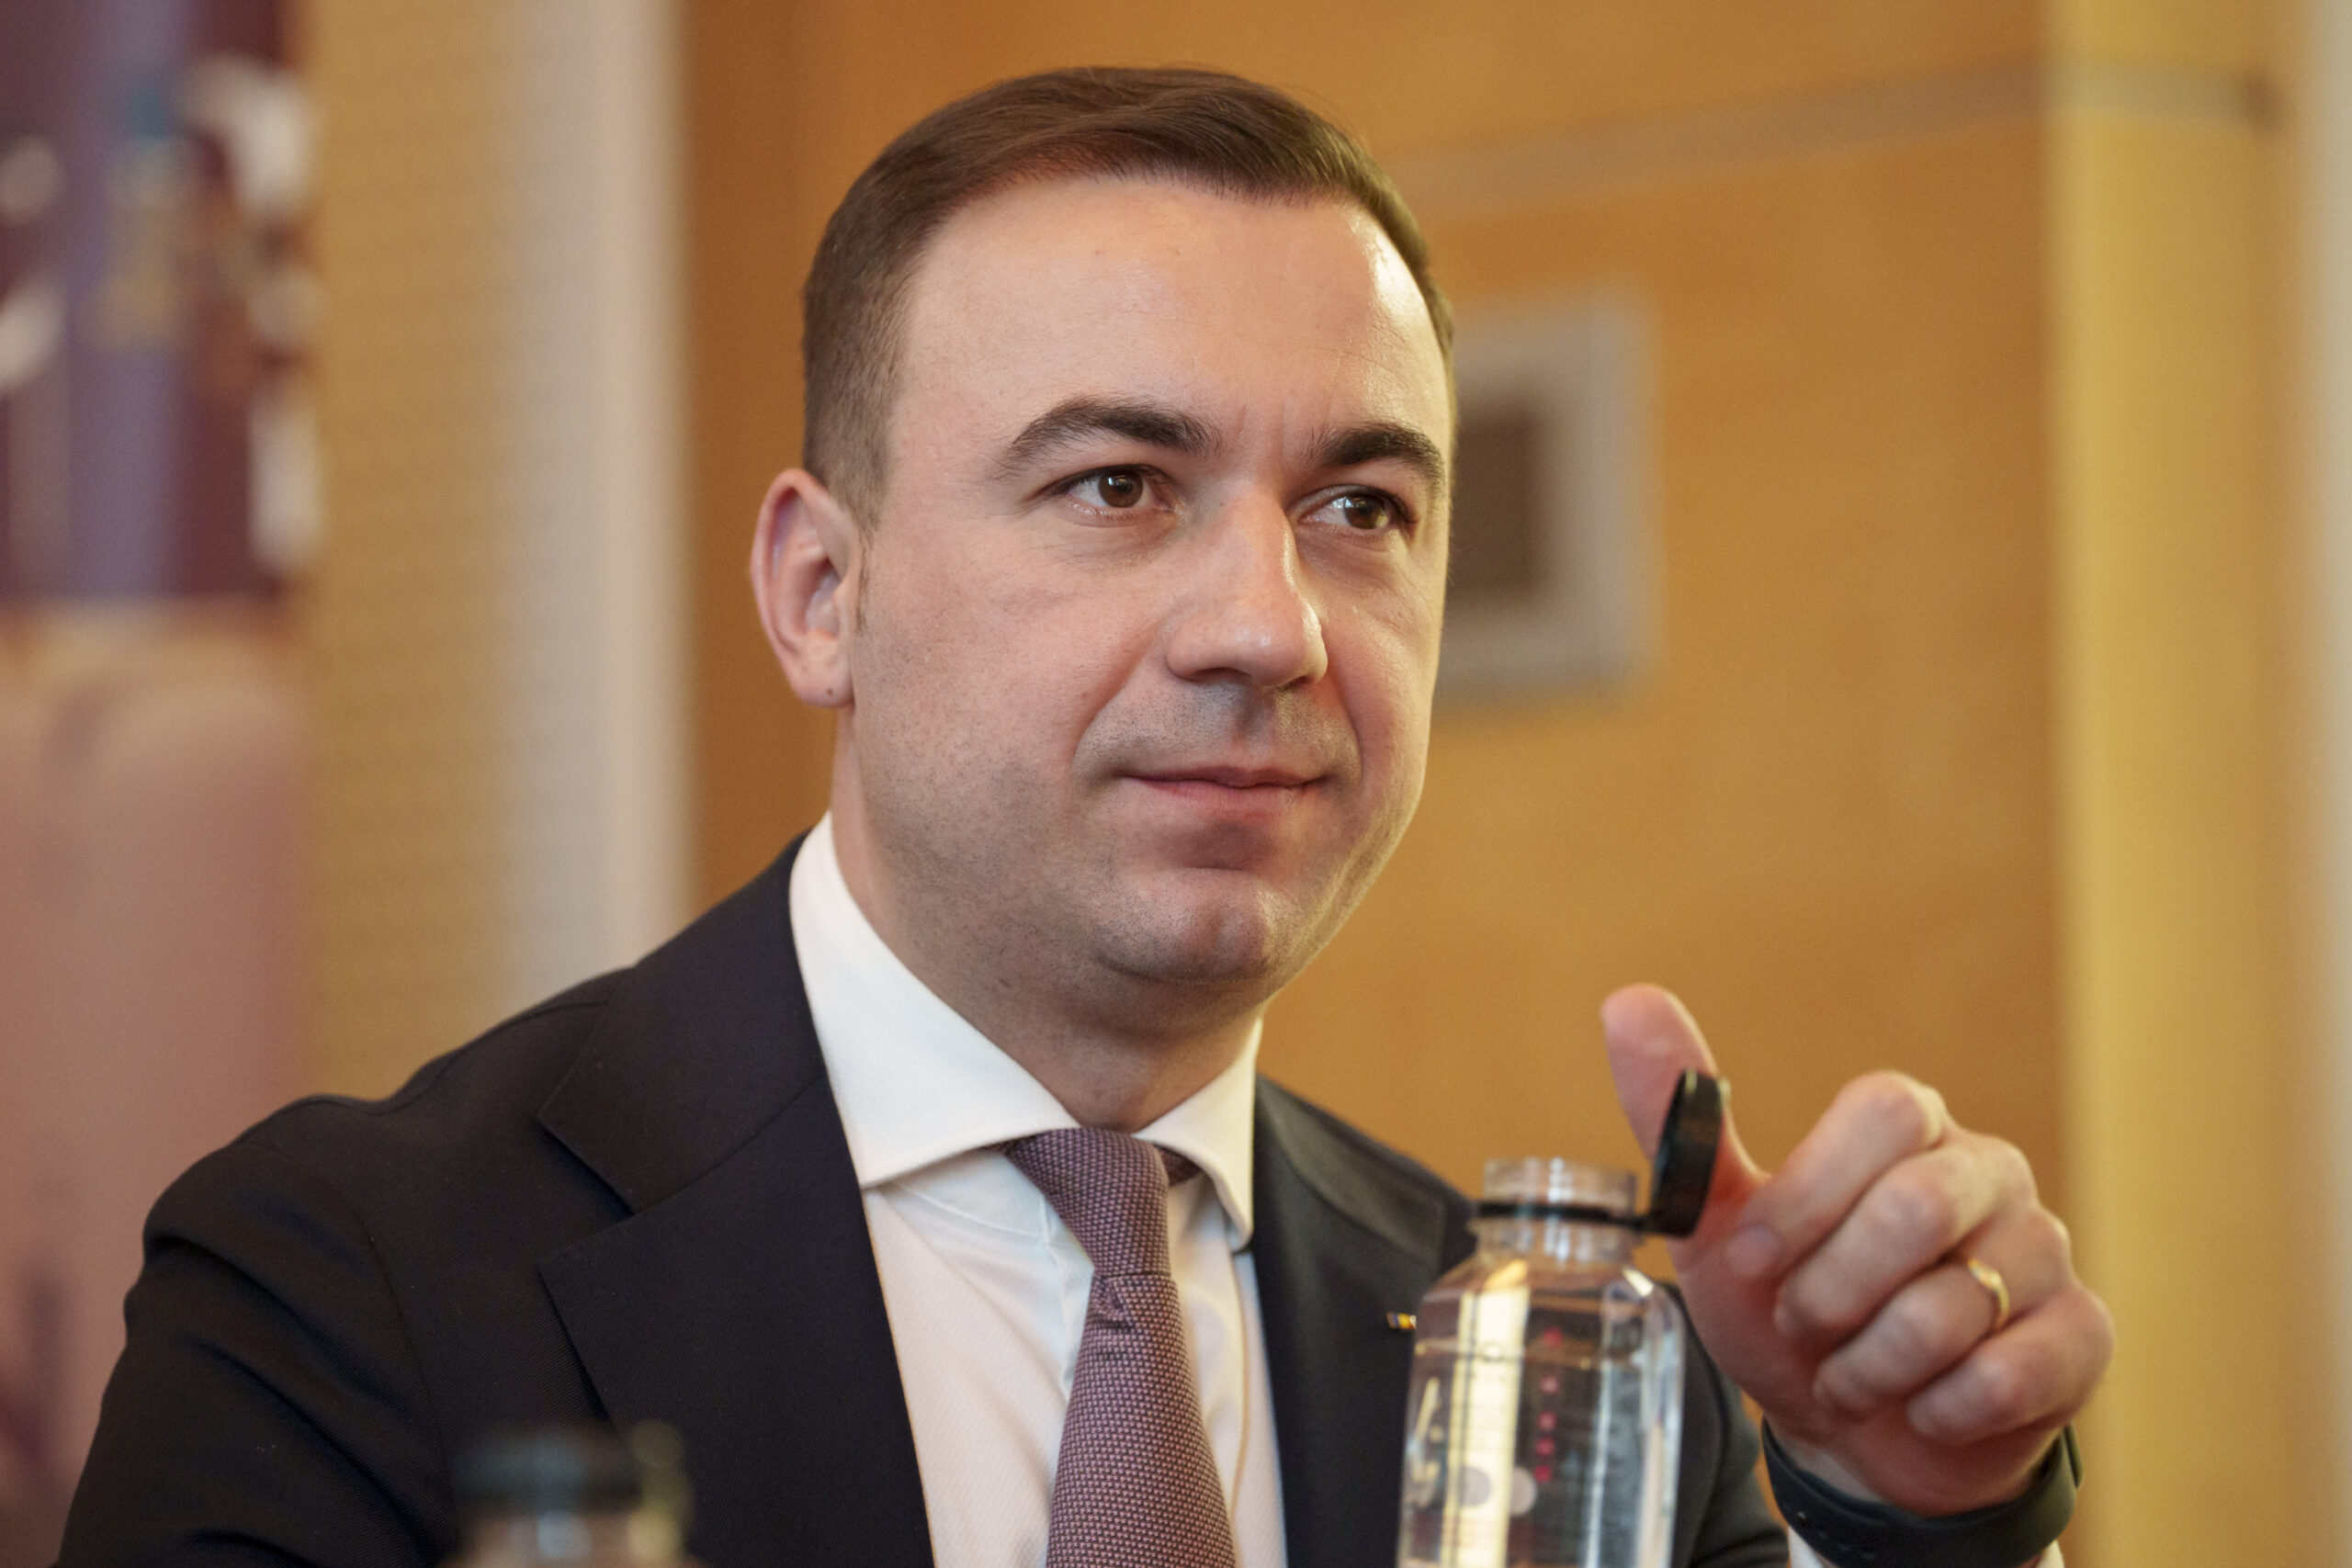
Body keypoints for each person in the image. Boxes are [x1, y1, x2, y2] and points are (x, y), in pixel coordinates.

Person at [58, 68, 2111, 1568]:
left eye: (1360, 507)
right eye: (1119, 486)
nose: (1270, 627)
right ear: (821, 593)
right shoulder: (355, 1290)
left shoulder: (1570, 1373)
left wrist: (1897, 1504)